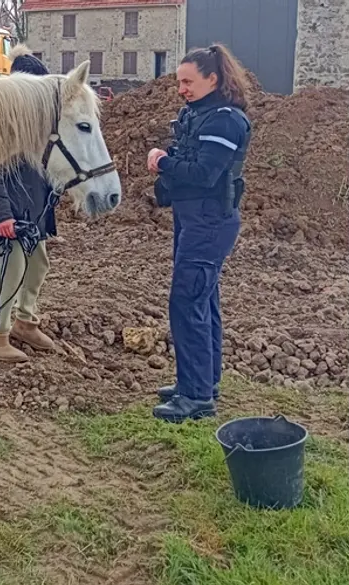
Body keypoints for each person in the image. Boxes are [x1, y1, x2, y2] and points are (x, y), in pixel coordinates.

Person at [146, 43, 253, 422]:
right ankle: (202, 382)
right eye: (179, 82)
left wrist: (163, 162)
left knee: (188, 300)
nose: (182, 89)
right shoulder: (198, 115)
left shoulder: (225, 120)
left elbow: (205, 174)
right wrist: (170, 162)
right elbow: (191, 161)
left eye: (188, 81)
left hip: (209, 221)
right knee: (203, 300)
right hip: (193, 218)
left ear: (213, 79)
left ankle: (196, 398)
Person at [0, 50, 58, 363]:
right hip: (11, 212)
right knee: (10, 271)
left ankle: (25, 323)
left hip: (35, 209)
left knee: (37, 265)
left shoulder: (35, 120)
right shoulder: (1, 121)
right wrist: (1, 214)